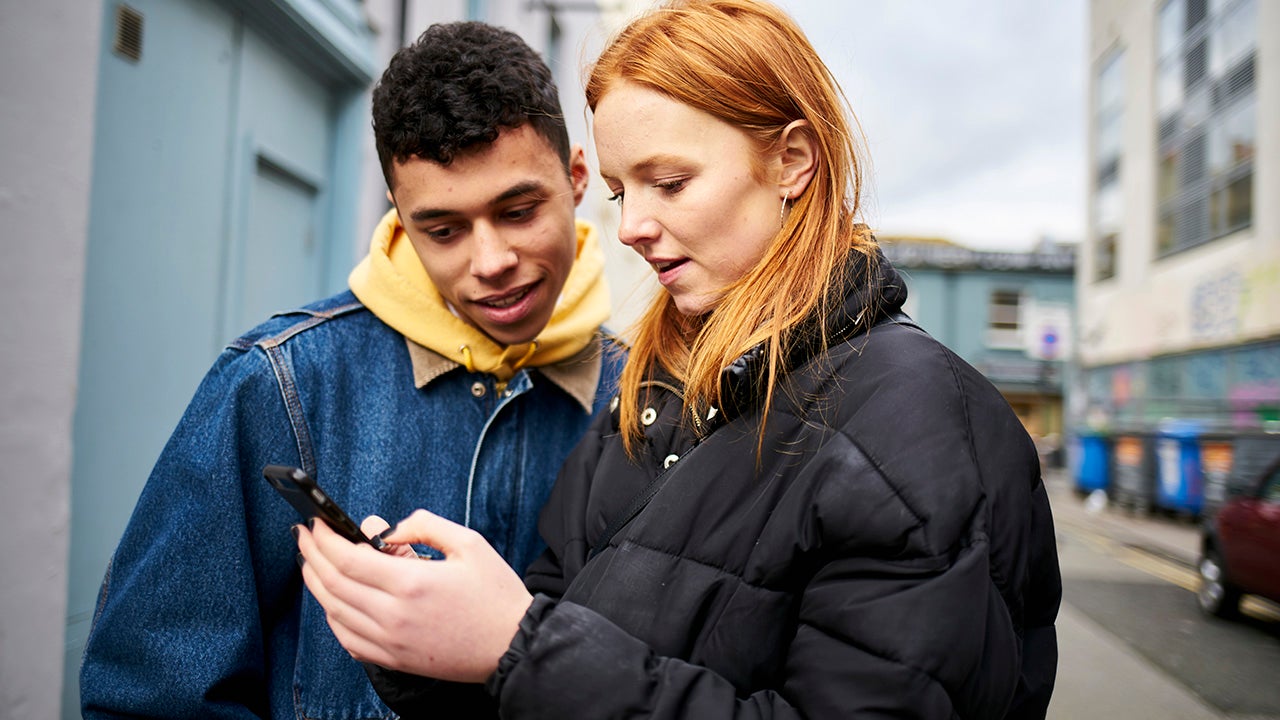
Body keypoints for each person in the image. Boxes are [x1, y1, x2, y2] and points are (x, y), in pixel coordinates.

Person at [295, 1, 1063, 717]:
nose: (631, 226)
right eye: (621, 193)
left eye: (668, 183)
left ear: (792, 160)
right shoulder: (652, 388)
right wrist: (434, 644)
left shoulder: (924, 418)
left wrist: (517, 646)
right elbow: (545, 675)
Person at [79, 21, 623, 720]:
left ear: (576, 178)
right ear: (400, 214)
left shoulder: (645, 396)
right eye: (444, 230)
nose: (490, 262)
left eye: (518, 212)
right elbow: (153, 696)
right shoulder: (280, 382)